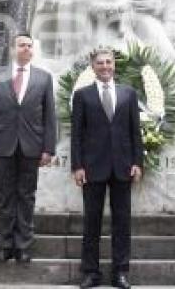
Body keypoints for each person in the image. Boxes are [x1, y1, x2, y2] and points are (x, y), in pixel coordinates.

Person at [71, 47, 144, 289]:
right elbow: (77, 135)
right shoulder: (82, 95)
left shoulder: (129, 94)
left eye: (109, 62)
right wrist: (77, 166)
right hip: (92, 168)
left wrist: (137, 162)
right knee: (92, 222)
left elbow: (135, 132)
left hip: (123, 167)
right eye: (100, 63)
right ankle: (91, 272)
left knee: (122, 222)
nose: (105, 66)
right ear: (93, 66)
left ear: (114, 65)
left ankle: (120, 272)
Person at [0, 33, 57, 263]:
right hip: (3, 146)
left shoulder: (44, 78)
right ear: (13, 49)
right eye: (22, 45)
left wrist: (48, 148)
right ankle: (5, 245)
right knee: (5, 197)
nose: (26, 49)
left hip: (31, 147)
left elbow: (49, 116)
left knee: (27, 196)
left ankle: (23, 245)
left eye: (29, 46)